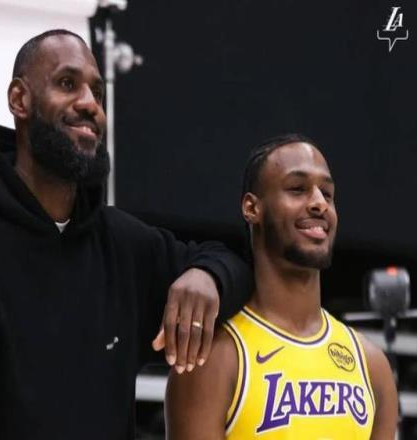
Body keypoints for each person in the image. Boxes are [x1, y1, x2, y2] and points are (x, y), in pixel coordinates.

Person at [0, 29, 250, 439]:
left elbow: (237, 263)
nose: (90, 104)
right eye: (66, 83)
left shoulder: (123, 246)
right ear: (19, 99)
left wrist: (208, 276)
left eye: (97, 92)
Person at [165, 134, 398, 439]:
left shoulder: (372, 365)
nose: (319, 203)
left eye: (327, 194)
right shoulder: (215, 358)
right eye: (297, 189)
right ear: (252, 208)